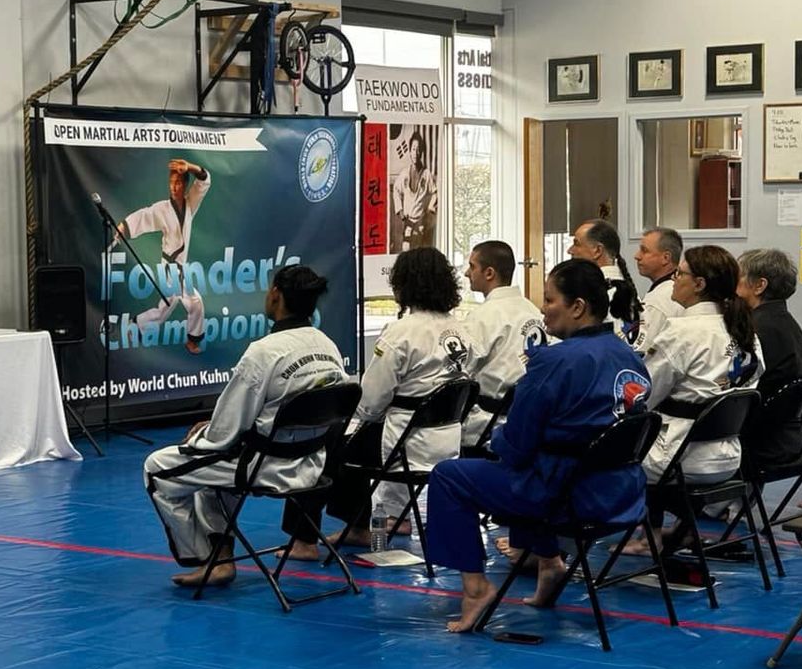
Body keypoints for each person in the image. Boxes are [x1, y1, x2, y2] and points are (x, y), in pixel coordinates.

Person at [422, 259, 652, 634]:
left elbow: (517, 445)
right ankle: (550, 565)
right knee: (538, 463)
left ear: (577, 307)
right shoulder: (629, 356)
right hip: (622, 490)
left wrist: (495, 440)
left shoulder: (553, 363)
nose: (543, 308)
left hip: (568, 497)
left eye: (549, 299)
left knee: (451, 476)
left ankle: (476, 589)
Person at [142, 266, 347, 588]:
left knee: (157, 469)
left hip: (265, 466)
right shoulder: (327, 345)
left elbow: (225, 434)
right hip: (311, 463)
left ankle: (204, 559)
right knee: (212, 473)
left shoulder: (264, 352)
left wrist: (201, 437)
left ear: (276, 294)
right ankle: (222, 560)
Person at [285, 246, 476, 555]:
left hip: (403, 445)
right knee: (353, 442)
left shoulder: (400, 333)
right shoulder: (465, 331)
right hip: (447, 442)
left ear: (404, 284)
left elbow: (369, 403)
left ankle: (302, 539)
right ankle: (361, 528)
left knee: (324, 440)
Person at [637, 245, 762, 484]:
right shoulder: (746, 332)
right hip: (728, 455)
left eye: (680, 274)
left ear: (699, 284)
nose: (674, 280)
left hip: (678, 458)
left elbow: (645, 395)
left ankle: (640, 520)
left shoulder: (681, 332)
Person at [118, 157, 211, 354]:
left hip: (180, 266)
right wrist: (123, 227)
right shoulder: (162, 209)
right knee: (194, 301)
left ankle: (135, 327)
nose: (174, 187)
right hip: (170, 267)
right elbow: (145, 215)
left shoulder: (190, 204)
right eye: (171, 183)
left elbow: (204, 181)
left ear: (185, 185)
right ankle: (192, 340)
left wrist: (191, 167)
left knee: (166, 306)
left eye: (178, 183)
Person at [738, 247, 802, 475]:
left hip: (756, 443)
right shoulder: (787, 324)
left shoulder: (755, 330)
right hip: (786, 439)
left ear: (759, 286)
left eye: (738, 277)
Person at [461, 240, 546, 447]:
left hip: (488, 426)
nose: (466, 273)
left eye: (472, 266)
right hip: (532, 422)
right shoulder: (534, 311)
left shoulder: (482, 317)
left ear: (489, 273)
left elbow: (462, 372)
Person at [568, 219, 642, 341]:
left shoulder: (599, 295)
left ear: (597, 251)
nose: (570, 250)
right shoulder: (628, 291)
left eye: (576, 244)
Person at [632, 226, 687, 349]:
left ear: (665, 258)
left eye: (644, 251)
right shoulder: (680, 290)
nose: (637, 256)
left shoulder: (658, 301)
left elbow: (643, 352)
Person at [391, 129, 436, 250]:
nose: (415, 153)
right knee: (406, 249)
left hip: (421, 222)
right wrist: (399, 210)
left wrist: (429, 211)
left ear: (422, 152)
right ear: (410, 151)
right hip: (407, 221)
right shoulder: (405, 173)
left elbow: (434, 193)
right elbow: (396, 189)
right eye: (413, 149)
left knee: (418, 251)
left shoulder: (427, 174)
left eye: (418, 149)